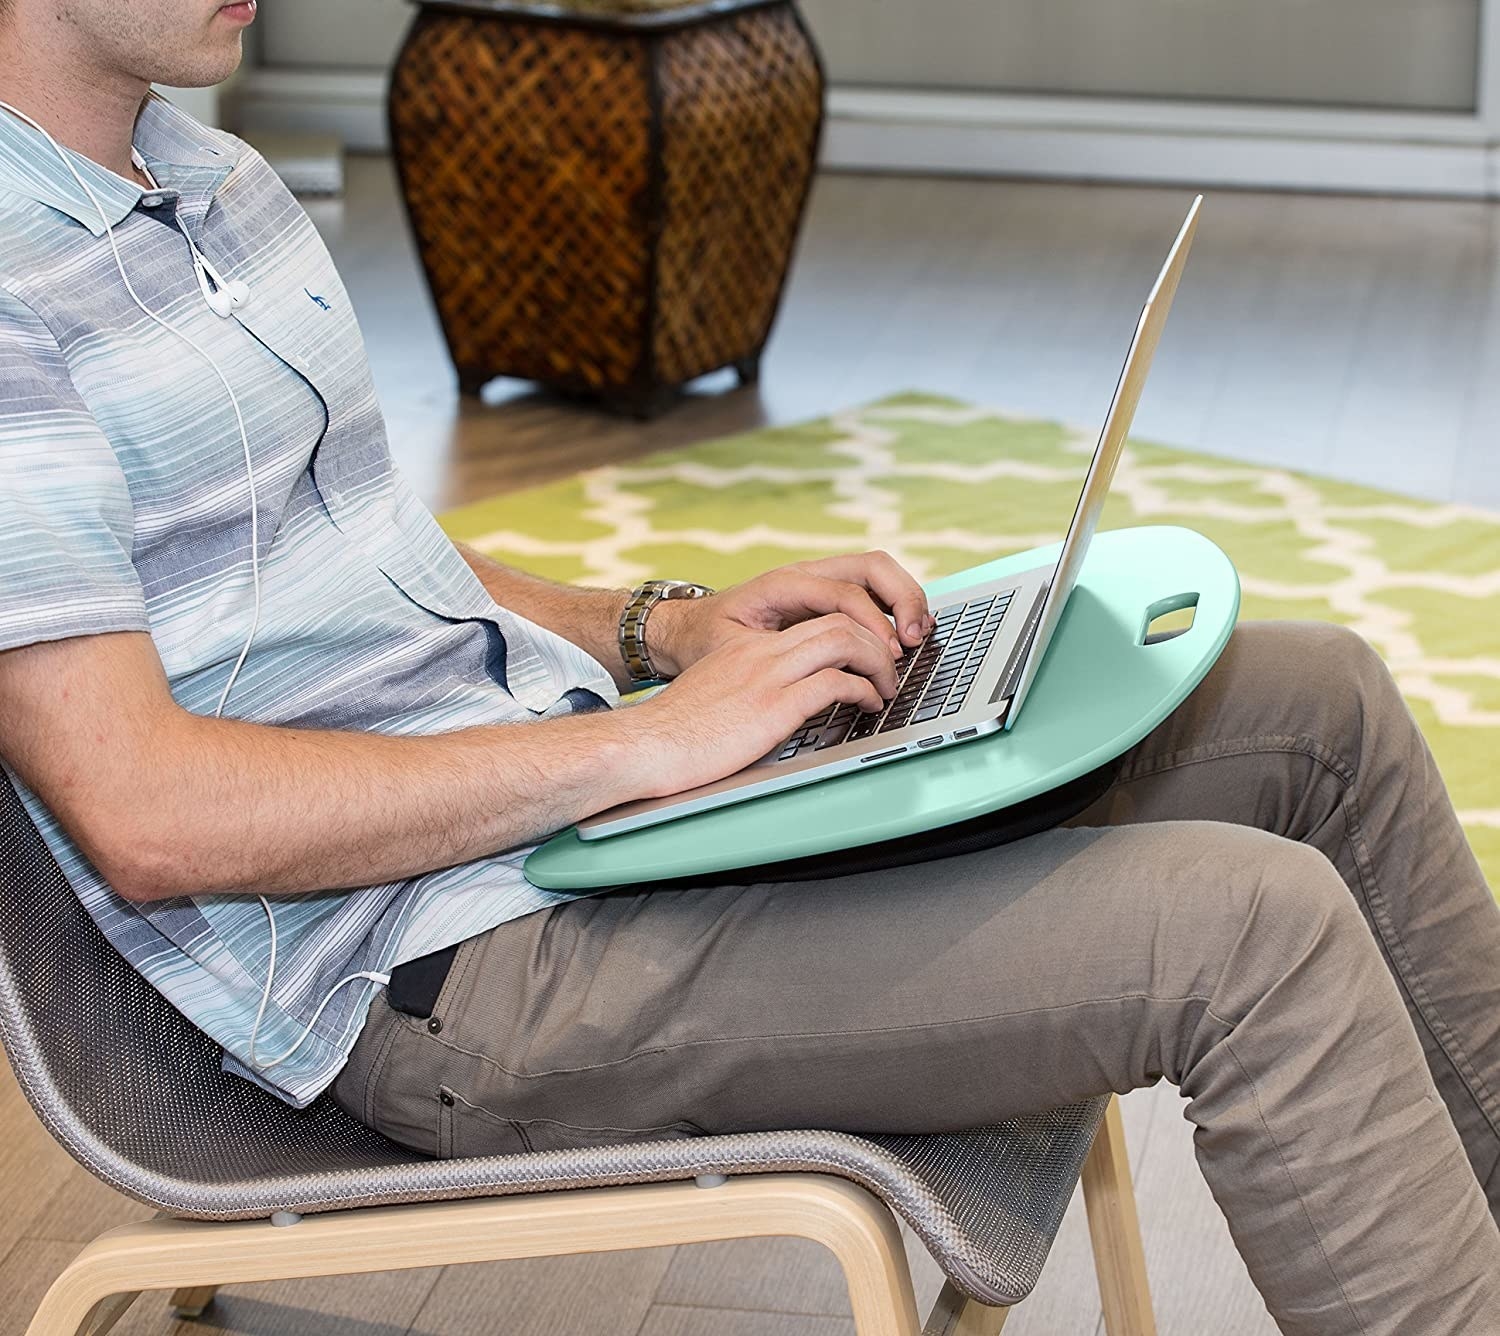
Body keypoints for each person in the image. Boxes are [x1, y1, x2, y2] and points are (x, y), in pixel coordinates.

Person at [1, 2, 1497, 1331]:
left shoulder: (219, 185)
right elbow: (149, 819)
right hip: (445, 976)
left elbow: (364, 547)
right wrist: (645, 748)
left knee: (1321, 704)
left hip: (586, 825)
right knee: (1251, 933)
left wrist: (665, 629)